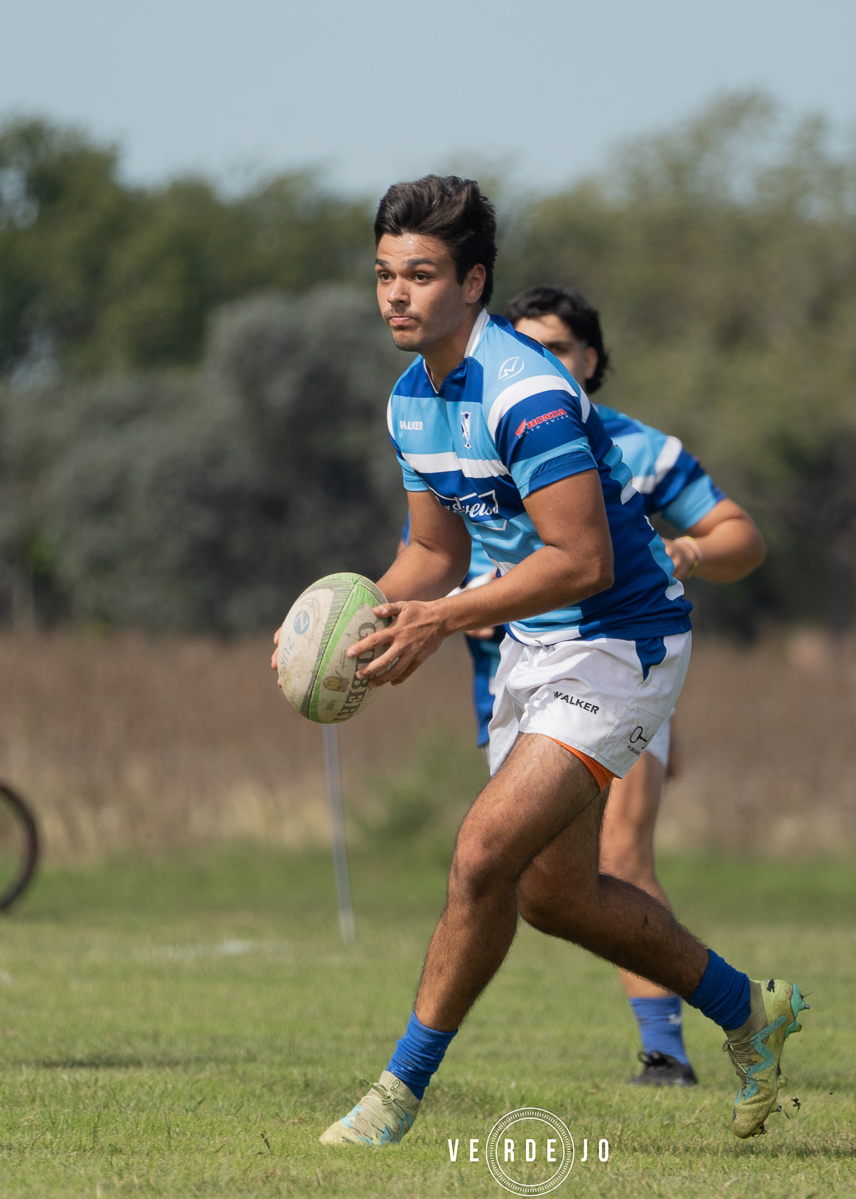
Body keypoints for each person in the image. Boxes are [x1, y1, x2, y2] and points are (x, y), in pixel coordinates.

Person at [304, 176, 805, 1147]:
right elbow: (436, 555)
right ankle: (753, 1011)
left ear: (473, 280)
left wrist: (440, 620)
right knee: (552, 894)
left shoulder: (524, 391)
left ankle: (396, 1097)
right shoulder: (414, 400)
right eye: (382, 275)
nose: (395, 295)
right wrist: (353, 621)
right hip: (537, 645)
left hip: (624, 643)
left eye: (419, 275)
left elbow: (583, 559)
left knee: (482, 852)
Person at [505, 284, 768, 1088]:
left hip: (620, 668)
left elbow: (741, 537)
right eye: (525, 346)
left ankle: (667, 1050)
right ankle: (742, 1009)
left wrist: (686, 552)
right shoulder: (485, 436)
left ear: (591, 359)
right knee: (539, 884)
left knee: (621, 849)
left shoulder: (638, 449)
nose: (540, 361)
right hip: (515, 678)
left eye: (556, 347)